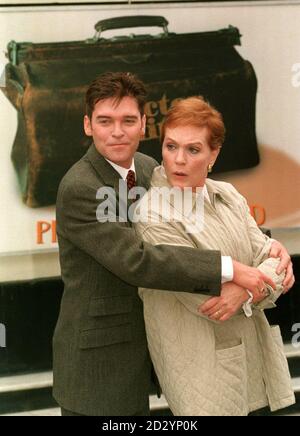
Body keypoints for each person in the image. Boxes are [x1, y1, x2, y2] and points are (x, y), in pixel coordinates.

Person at [53, 72, 293, 416]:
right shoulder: (80, 186)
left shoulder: (150, 168)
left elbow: (209, 213)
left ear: (143, 124)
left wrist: (269, 247)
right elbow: (138, 261)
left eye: (128, 120)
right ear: (88, 125)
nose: (117, 131)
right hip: (102, 358)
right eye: (105, 121)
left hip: (163, 341)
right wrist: (233, 271)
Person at [134, 96, 296, 416]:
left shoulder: (229, 195)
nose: (179, 159)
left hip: (256, 359)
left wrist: (246, 286)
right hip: (203, 372)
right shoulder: (151, 215)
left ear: (213, 154)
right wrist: (260, 278)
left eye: (193, 149)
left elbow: (269, 254)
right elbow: (207, 302)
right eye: (171, 146)